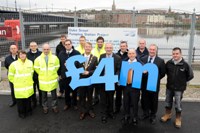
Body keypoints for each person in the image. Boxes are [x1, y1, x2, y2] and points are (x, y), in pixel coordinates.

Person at [160, 47, 194, 128]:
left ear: (180, 54)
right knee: (167, 101)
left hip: (179, 89)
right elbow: (165, 73)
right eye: (173, 54)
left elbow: (190, 76)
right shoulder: (168, 63)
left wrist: (181, 82)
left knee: (178, 104)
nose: (175, 55)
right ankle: (168, 114)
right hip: (169, 87)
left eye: (177, 53)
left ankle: (178, 118)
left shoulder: (185, 65)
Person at [140, 44, 166, 125]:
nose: (151, 51)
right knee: (144, 100)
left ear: (156, 51)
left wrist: (155, 79)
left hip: (154, 85)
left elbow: (162, 73)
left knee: (154, 101)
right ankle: (145, 113)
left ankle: (153, 115)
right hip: (144, 84)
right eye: (150, 49)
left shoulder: (160, 61)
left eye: (153, 50)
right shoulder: (143, 59)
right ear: (148, 50)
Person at [34, 44, 60, 114]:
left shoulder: (55, 58)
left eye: (47, 49)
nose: (46, 51)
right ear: (42, 50)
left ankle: (54, 106)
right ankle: (45, 107)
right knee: (43, 96)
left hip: (52, 80)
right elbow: (36, 68)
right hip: (43, 81)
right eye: (44, 49)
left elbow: (57, 67)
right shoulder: (38, 59)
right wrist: (42, 74)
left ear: (50, 49)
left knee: (54, 96)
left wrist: (52, 73)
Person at [8, 50, 34, 118]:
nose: (22, 55)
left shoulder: (30, 63)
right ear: (18, 55)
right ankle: (21, 113)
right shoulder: (14, 64)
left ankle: (29, 110)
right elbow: (10, 76)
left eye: (24, 54)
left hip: (28, 85)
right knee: (20, 101)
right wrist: (16, 82)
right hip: (19, 86)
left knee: (28, 99)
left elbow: (31, 72)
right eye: (21, 54)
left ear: (26, 55)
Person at [99, 43, 121, 124]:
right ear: (105, 48)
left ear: (112, 48)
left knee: (111, 98)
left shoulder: (117, 58)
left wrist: (115, 78)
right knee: (103, 99)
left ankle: (110, 112)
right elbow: (99, 69)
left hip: (111, 82)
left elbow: (119, 70)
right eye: (107, 48)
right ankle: (104, 114)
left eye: (110, 48)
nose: (108, 49)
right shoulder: (101, 56)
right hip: (103, 81)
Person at [58, 39, 80, 111]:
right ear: (64, 45)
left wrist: (71, 65)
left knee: (74, 90)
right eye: (66, 44)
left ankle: (75, 104)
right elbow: (60, 65)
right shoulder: (61, 53)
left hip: (74, 75)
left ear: (71, 44)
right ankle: (67, 104)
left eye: (69, 44)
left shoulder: (77, 53)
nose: (67, 45)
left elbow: (79, 65)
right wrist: (60, 74)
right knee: (66, 90)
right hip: (65, 75)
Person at [78, 42, 98, 120]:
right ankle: (83, 111)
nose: (88, 48)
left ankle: (90, 110)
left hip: (90, 80)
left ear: (91, 48)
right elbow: (76, 67)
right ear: (84, 48)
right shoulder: (79, 57)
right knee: (82, 96)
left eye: (89, 47)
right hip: (81, 80)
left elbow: (96, 70)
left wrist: (89, 72)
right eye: (86, 47)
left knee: (90, 96)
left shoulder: (95, 58)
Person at [121, 49, 141, 125]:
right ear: (128, 55)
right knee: (126, 102)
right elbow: (122, 73)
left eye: (133, 53)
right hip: (126, 86)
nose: (131, 55)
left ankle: (135, 117)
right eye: (130, 53)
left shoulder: (139, 64)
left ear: (135, 54)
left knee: (135, 102)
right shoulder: (125, 63)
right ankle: (126, 115)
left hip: (135, 87)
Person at [27, 42, 42, 107]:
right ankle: (34, 102)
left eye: (34, 46)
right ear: (30, 47)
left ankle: (41, 102)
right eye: (31, 46)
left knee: (41, 90)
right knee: (32, 90)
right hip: (31, 76)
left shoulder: (41, 54)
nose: (33, 47)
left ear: (37, 46)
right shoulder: (27, 55)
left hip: (39, 75)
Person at [91, 36, 106, 106]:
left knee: (102, 87)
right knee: (96, 86)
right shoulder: (93, 50)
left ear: (103, 43)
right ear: (96, 42)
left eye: (101, 42)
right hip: (94, 71)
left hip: (103, 72)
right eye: (98, 42)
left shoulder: (106, 50)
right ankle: (96, 99)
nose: (100, 43)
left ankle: (103, 100)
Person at [115, 41, 129, 114]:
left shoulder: (130, 54)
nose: (123, 47)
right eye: (121, 46)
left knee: (126, 95)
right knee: (118, 94)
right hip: (118, 78)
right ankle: (117, 108)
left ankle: (126, 109)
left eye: (124, 46)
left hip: (127, 78)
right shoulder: (116, 55)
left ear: (127, 47)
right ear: (120, 47)